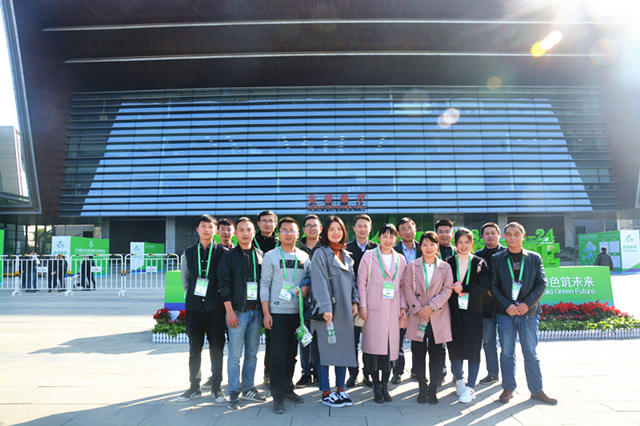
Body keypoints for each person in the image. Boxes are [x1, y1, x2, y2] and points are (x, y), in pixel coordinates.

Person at [490, 222, 557, 405]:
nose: (512, 237)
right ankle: (508, 388)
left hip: (529, 313)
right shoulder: (497, 258)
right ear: (504, 236)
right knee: (507, 353)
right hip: (506, 314)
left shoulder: (534, 258)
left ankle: (537, 390)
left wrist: (527, 304)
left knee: (531, 353)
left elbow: (542, 283)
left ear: (523, 236)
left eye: (516, 234)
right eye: (509, 234)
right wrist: (507, 306)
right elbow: (493, 286)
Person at [261, 217, 312, 414]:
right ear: (278, 234)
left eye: (292, 230)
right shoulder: (270, 256)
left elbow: (310, 281)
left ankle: (287, 388)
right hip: (277, 313)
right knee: (278, 356)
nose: (288, 233)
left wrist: (307, 289)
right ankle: (277, 396)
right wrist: (266, 312)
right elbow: (264, 284)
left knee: (292, 355)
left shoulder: (304, 256)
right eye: (284, 230)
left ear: (298, 234)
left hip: (297, 314)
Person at [178, 214, 228, 403]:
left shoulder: (223, 253)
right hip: (194, 309)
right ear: (197, 229)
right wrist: (194, 296)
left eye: (210, 227)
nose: (207, 230)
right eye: (203, 226)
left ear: (216, 230)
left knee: (217, 349)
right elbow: (185, 279)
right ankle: (194, 387)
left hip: (216, 309)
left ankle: (216, 387)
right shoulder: (189, 253)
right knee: (194, 350)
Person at [310, 215, 359, 408]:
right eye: (331, 229)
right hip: (328, 311)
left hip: (345, 310)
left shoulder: (347, 256)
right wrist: (326, 308)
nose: (336, 232)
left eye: (339, 229)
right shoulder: (320, 254)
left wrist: (355, 301)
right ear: (325, 233)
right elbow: (319, 282)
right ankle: (325, 392)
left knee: (343, 349)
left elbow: (353, 282)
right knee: (325, 351)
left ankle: (340, 389)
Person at [218, 217, 267, 409]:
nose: (245, 233)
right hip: (237, 313)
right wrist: (229, 311)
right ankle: (233, 390)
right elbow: (223, 284)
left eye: (249, 230)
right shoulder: (228, 256)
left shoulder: (261, 255)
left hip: (256, 313)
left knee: (252, 354)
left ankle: (248, 388)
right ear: (235, 233)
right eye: (241, 230)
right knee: (234, 355)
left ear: (254, 233)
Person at [357, 224, 407, 404]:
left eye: (391, 236)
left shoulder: (400, 259)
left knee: (389, 350)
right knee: (373, 350)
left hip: (393, 310)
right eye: (384, 236)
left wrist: (403, 307)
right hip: (373, 310)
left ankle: (385, 385)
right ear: (378, 238)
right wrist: (363, 304)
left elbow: (403, 286)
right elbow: (361, 282)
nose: (388, 240)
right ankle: (376, 386)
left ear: (396, 239)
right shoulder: (369, 256)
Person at [403, 231, 453, 405]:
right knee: (418, 352)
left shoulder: (445, 267)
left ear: (437, 246)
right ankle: (422, 387)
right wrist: (418, 308)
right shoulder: (412, 266)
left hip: (437, 314)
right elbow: (407, 288)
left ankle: (433, 388)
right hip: (418, 315)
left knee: (436, 353)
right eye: (425, 244)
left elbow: (447, 289)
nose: (428, 248)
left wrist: (431, 306)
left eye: (432, 244)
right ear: (420, 247)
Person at [446, 228, 490, 404]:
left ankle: (471, 387)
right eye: (460, 242)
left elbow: (483, 288)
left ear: (472, 243)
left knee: (473, 349)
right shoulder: (448, 262)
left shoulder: (480, 263)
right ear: (455, 244)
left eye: (467, 242)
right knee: (454, 347)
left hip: (473, 313)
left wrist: (463, 288)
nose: (463, 246)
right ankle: (459, 380)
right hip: (453, 312)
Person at [345, 214, 377, 388]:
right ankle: (353, 373)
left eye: (366, 226)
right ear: (354, 228)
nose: (363, 229)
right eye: (359, 226)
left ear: (370, 228)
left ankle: (368, 373)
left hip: (373, 302)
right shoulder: (346, 249)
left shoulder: (377, 249)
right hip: (352, 302)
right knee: (352, 340)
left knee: (370, 340)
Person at [474, 222, 506, 385]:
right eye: (487, 233)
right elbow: (474, 279)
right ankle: (493, 373)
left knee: (507, 344)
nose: (490, 236)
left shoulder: (507, 253)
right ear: (482, 237)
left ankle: (508, 376)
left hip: (505, 307)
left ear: (499, 235)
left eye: (493, 233)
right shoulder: (477, 256)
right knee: (488, 341)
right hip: (485, 307)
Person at [294, 214, 323, 388]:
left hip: (321, 300)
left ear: (320, 229)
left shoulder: (326, 247)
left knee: (320, 339)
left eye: (315, 225)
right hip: (301, 301)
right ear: (303, 229)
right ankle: (305, 372)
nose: (312, 228)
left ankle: (319, 373)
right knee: (304, 338)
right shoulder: (296, 247)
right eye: (308, 226)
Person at [392, 217, 421, 384]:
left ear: (415, 230)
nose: (407, 232)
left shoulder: (424, 248)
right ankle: (397, 371)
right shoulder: (393, 250)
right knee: (398, 337)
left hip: (420, 299)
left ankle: (417, 370)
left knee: (418, 336)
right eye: (403, 229)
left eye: (410, 228)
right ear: (398, 233)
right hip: (400, 299)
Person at [255, 210, 278, 386]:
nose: (267, 224)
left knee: (272, 340)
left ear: (275, 224)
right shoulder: (250, 242)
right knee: (250, 341)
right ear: (258, 223)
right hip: (252, 297)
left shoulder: (281, 243)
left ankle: (269, 373)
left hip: (275, 297)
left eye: (271, 221)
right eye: (264, 221)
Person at [434, 218, 455, 382]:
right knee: (438, 340)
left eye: (447, 231)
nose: (443, 235)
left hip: (455, 302)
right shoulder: (431, 252)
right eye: (440, 232)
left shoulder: (458, 251)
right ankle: (440, 372)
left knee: (455, 340)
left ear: (452, 234)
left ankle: (457, 372)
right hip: (437, 302)